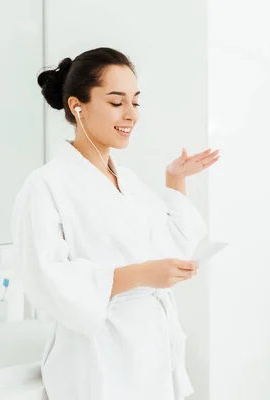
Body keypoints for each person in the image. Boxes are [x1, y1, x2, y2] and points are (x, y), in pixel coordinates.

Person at [11, 47, 220, 400]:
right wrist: (139, 275)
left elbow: (171, 249)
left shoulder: (129, 182)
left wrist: (175, 181)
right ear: (78, 107)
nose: (131, 115)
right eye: (116, 102)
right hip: (98, 362)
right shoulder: (46, 185)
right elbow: (48, 278)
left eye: (135, 102)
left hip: (149, 355)